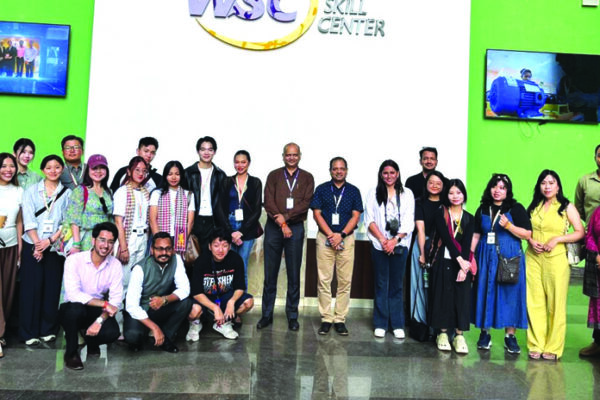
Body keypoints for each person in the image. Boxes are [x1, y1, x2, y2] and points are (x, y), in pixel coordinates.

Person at [470, 174, 532, 354]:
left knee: (510, 294)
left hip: (508, 257)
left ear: (508, 191)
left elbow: (527, 234)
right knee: (484, 291)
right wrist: (470, 256)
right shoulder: (483, 208)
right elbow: (476, 235)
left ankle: (510, 337)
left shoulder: (516, 208)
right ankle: (485, 333)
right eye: (494, 187)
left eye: (502, 188)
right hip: (485, 256)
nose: (497, 191)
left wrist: (509, 226)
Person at [526, 170, 584, 360]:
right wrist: (530, 241)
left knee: (556, 304)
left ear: (558, 186)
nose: (547, 186)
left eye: (551, 183)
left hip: (557, 259)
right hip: (533, 258)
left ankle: (553, 347)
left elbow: (580, 232)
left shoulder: (566, 207)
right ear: (539, 186)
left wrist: (558, 239)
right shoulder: (534, 206)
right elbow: (527, 230)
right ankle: (536, 343)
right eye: (543, 183)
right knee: (534, 302)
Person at [257, 143, 314, 331]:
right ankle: (266, 314)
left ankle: (292, 316)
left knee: (294, 273)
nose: (291, 157)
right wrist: (281, 223)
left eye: (295, 155)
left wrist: (287, 219)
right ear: (283, 156)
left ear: (300, 156)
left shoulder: (307, 177)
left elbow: (306, 203)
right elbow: (268, 201)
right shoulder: (273, 175)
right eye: (288, 155)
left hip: (295, 228)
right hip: (274, 227)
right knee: (270, 273)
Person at [19, 155, 71, 346]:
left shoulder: (67, 193)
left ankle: (47, 329)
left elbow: (66, 222)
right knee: (31, 289)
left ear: (62, 169)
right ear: (42, 170)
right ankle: (28, 332)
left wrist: (49, 241)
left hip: (54, 247)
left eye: (57, 167)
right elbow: (28, 219)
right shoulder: (31, 191)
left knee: (51, 288)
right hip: (32, 244)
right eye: (49, 167)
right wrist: (37, 244)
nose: (53, 171)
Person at [58, 222, 123, 370]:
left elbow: (115, 301)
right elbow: (73, 295)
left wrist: (99, 321)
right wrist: (104, 304)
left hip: (95, 309)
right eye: (102, 240)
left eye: (110, 242)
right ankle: (71, 353)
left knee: (112, 332)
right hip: (72, 307)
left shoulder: (115, 265)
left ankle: (91, 340)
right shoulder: (74, 260)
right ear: (93, 240)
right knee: (75, 311)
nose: (105, 246)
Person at [310, 157, 363, 336]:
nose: (338, 171)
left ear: (346, 170)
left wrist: (341, 235)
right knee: (324, 280)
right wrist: (331, 235)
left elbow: (356, 216)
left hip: (346, 239)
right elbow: (317, 214)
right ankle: (326, 318)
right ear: (330, 171)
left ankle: (340, 319)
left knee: (344, 281)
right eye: (335, 169)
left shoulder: (353, 191)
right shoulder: (322, 189)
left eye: (342, 168)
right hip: (325, 238)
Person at [364, 160, 414, 339]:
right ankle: (380, 323)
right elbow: (369, 219)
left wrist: (394, 240)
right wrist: (383, 240)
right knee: (381, 284)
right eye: (385, 173)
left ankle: (397, 324)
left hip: (400, 245)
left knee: (396, 285)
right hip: (379, 246)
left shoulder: (407, 194)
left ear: (398, 174)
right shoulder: (373, 193)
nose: (389, 176)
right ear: (381, 174)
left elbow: (408, 221)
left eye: (392, 172)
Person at [124, 232, 191, 353]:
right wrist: (154, 327)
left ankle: (166, 337)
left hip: (159, 307)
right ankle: (151, 331)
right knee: (133, 336)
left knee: (186, 303)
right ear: (151, 250)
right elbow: (131, 306)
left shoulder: (176, 260)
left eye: (168, 249)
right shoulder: (139, 269)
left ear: (173, 249)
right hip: (141, 310)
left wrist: (165, 300)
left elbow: (185, 289)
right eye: (159, 249)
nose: (164, 253)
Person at [429, 179, 475, 354]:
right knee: (443, 296)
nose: (455, 196)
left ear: (464, 194)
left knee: (461, 298)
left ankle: (459, 335)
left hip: (462, 263)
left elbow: (467, 243)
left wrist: (464, 267)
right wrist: (460, 260)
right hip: (443, 260)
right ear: (446, 195)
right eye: (451, 193)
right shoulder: (441, 213)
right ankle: (442, 333)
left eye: (458, 192)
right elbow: (447, 239)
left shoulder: (469, 218)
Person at [187, 229, 254, 340]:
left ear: (229, 247)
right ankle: (196, 323)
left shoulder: (236, 259)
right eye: (216, 246)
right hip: (206, 298)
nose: (220, 250)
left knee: (248, 302)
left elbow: (240, 287)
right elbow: (196, 292)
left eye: (225, 246)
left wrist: (232, 302)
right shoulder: (201, 261)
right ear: (210, 247)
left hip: (224, 296)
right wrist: (215, 308)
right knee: (194, 310)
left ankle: (224, 323)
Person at [215, 150, 262, 287]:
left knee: (242, 265)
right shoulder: (226, 181)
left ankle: (241, 298)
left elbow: (257, 210)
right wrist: (231, 232)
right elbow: (220, 208)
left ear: (249, 163)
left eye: (243, 162)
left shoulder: (255, 182)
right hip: (229, 224)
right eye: (237, 162)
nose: (240, 165)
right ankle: (227, 298)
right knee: (227, 265)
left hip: (247, 227)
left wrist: (241, 232)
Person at [410, 171, 445, 335]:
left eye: (438, 183)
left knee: (438, 286)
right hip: (422, 245)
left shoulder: (446, 203)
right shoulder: (419, 202)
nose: (434, 186)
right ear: (426, 184)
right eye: (431, 182)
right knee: (420, 285)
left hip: (441, 247)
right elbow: (421, 230)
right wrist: (423, 254)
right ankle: (421, 323)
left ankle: (438, 326)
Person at [113, 156, 151, 294]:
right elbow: (118, 221)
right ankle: (119, 307)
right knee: (124, 279)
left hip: (143, 237)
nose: (141, 173)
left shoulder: (146, 193)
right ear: (129, 171)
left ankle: (132, 306)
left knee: (137, 277)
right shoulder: (122, 192)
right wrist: (123, 248)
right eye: (137, 170)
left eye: (144, 171)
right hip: (129, 238)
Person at [184, 136, 226, 250]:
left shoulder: (220, 175)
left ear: (214, 152)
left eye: (210, 149)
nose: (206, 153)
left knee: (210, 255)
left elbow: (224, 202)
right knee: (191, 255)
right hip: (193, 220)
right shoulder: (188, 173)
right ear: (198, 151)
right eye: (203, 149)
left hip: (213, 221)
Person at [65, 154, 113, 252]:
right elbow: (74, 219)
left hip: (105, 241)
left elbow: (110, 218)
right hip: (86, 240)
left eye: (102, 168)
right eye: (94, 168)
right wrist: (76, 244)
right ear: (88, 170)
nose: (98, 171)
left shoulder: (108, 192)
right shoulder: (80, 191)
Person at [0, 153, 23, 357]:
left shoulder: (19, 191)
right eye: (3, 166)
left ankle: (2, 330)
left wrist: (20, 249)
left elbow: (19, 222)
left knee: (7, 292)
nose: (8, 170)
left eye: (11, 166)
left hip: (11, 245)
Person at [149, 161, 195, 257]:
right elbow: (153, 220)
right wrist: (159, 241)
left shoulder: (188, 194)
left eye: (177, 174)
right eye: (170, 174)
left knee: (178, 264)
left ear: (181, 175)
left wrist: (181, 241)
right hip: (161, 236)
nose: (174, 177)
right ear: (165, 175)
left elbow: (190, 222)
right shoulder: (157, 194)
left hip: (180, 238)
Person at [581, 205, 600, 358]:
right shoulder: (598, 211)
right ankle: (598, 343)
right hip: (598, 264)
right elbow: (590, 235)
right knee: (598, 302)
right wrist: (597, 255)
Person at [575, 144, 600, 225]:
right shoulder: (584, 181)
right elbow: (579, 209)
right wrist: (592, 222)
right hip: (592, 231)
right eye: (599, 156)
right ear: (595, 158)